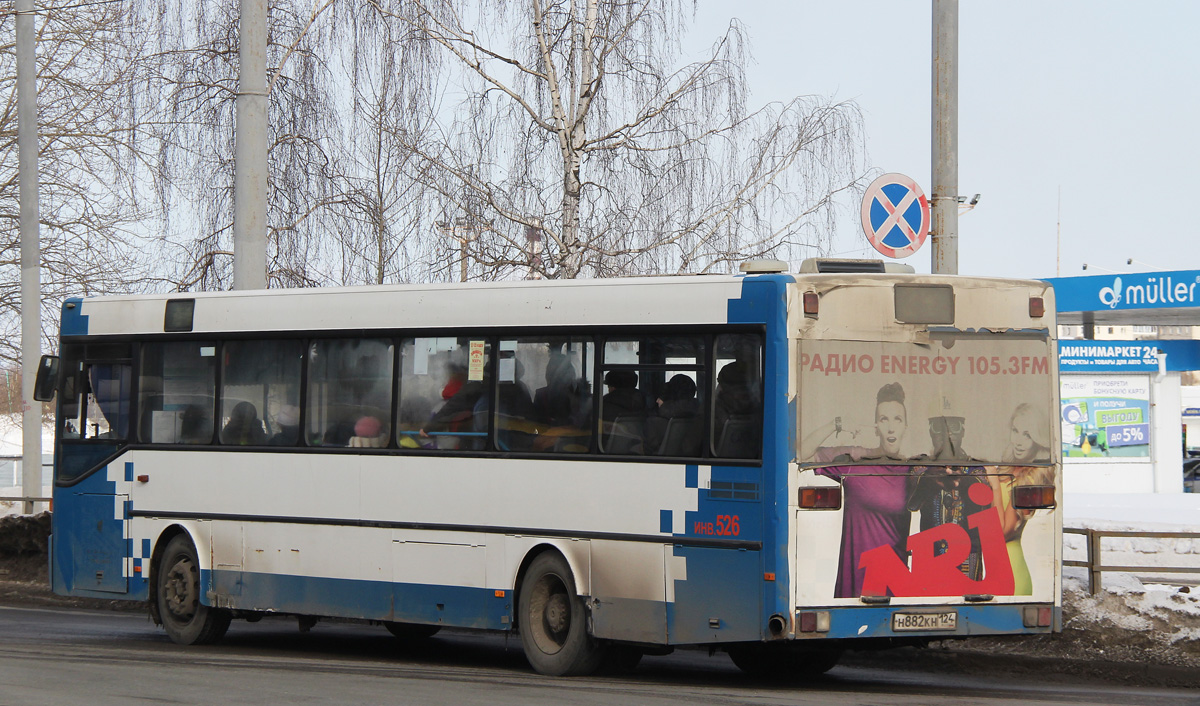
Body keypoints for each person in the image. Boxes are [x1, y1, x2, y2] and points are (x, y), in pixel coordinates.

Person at [801, 382, 912, 599]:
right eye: (884, 419)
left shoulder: (914, 469)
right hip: (856, 588)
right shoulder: (856, 460)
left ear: (906, 426)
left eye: (897, 419)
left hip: (895, 586)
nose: (891, 427)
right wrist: (836, 424)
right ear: (876, 426)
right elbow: (800, 452)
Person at [988, 403, 1053, 595]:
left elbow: (1002, 533)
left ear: (1037, 439)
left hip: (1011, 574)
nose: (1018, 441)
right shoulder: (1008, 469)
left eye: (1027, 435)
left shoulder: (1030, 479)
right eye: (1015, 431)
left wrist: (993, 485)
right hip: (990, 570)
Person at [645, 374, 701, 455]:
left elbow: (648, 452)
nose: (657, 400)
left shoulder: (654, 423)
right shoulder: (697, 416)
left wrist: (664, 407)